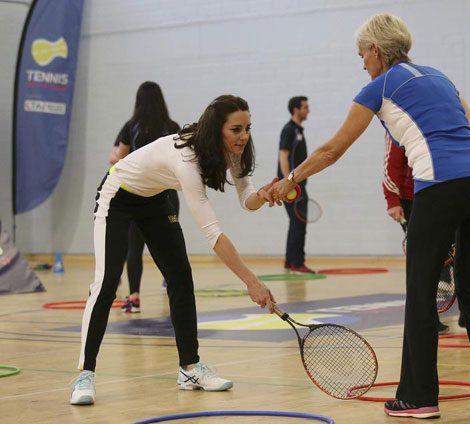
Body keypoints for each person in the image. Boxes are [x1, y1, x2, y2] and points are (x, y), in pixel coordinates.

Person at [268, 13, 470, 419]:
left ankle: (419, 397)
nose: (363, 64)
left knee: (421, 291)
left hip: (440, 185)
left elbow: (332, 150)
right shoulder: (440, 77)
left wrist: (290, 179)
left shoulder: (380, 85)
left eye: (362, 55)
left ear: (377, 50)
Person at [70, 95, 278, 406]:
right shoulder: (187, 159)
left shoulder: (233, 150)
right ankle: (85, 374)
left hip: (154, 200)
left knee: (181, 278)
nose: (244, 136)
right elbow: (213, 234)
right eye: (236, 129)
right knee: (108, 281)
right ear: (216, 128)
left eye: (248, 127)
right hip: (119, 196)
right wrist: (252, 281)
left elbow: (247, 198)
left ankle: (189, 369)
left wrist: (262, 194)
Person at [109, 81, 181, 312]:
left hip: (139, 194)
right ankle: (172, 287)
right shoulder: (172, 126)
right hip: (167, 195)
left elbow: (118, 160)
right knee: (170, 245)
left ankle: (135, 297)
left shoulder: (132, 126)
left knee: (135, 248)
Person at [382, 132, 449, 334]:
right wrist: (392, 201)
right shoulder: (396, 126)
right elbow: (390, 164)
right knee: (422, 263)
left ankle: (465, 314)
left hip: (435, 195)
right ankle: (427, 321)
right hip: (410, 201)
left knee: (449, 251)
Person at [277, 96, 314, 273]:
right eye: (305, 107)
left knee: (296, 222)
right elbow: (283, 155)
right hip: (292, 186)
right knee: (298, 222)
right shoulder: (289, 130)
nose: (308, 110)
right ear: (296, 109)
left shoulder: (298, 130)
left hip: (297, 185)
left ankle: (289, 261)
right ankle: (297, 263)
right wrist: (287, 182)